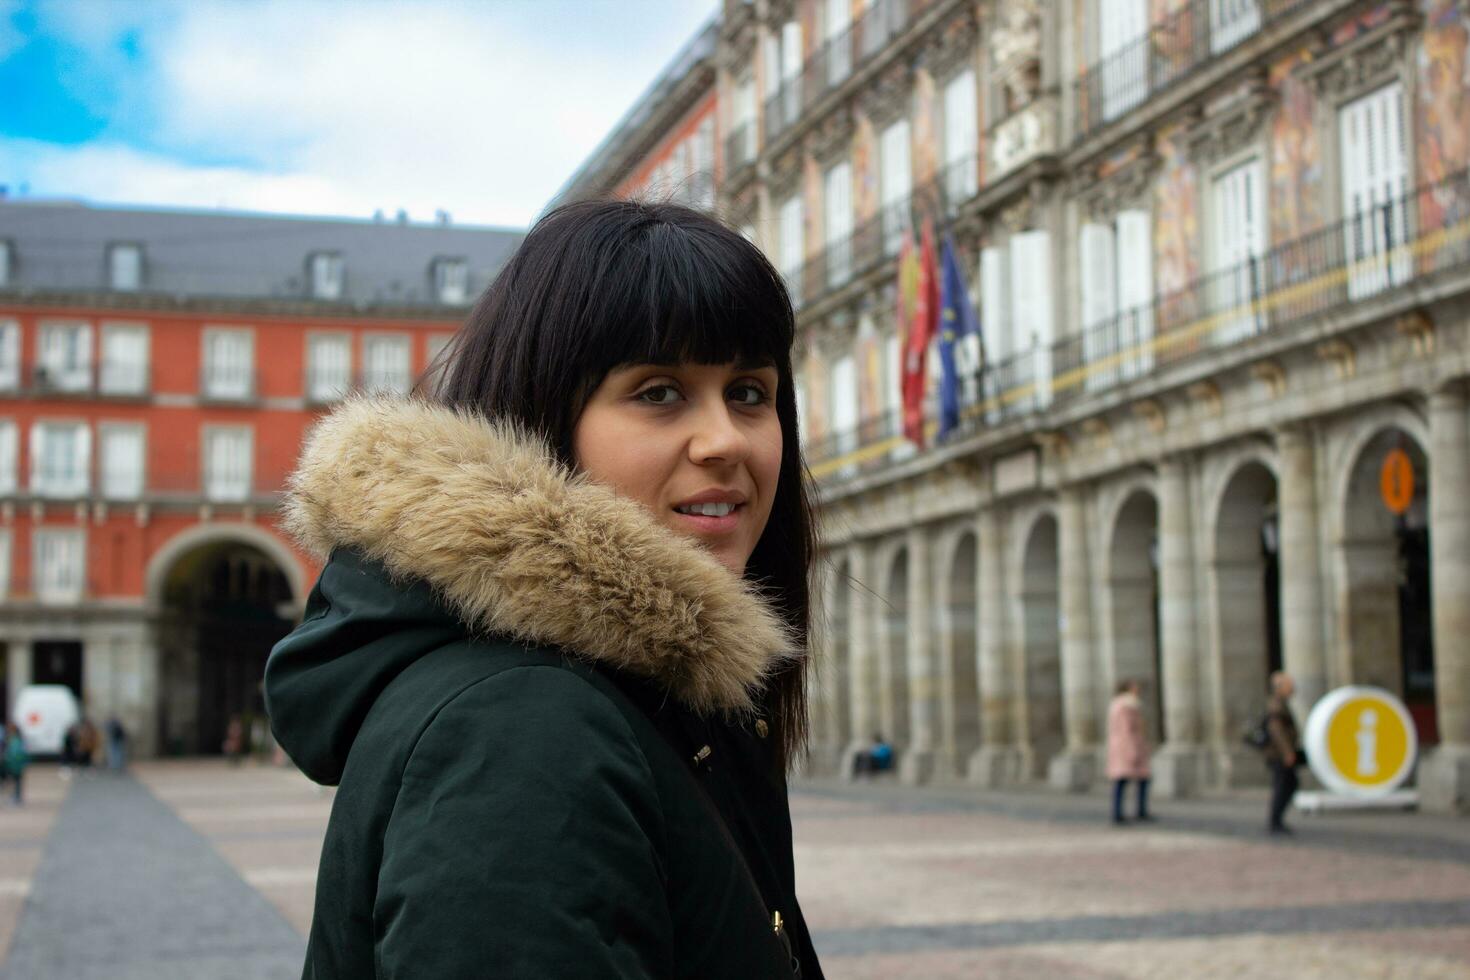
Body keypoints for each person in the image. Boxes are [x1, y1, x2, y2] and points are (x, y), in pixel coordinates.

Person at [266, 200, 823, 979]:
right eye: (659, 391)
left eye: (750, 393)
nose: (726, 439)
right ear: (544, 418)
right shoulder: (521, 729)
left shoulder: (636, 692)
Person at [1106, 679, 1153, 825]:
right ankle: (1135, 811)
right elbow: (1127, 730)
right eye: (1134, 686)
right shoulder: (1128, 706)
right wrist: (1133, 750)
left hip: (1119, 746)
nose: (1137, 689)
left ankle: (1120, 812)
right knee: (1133, 780)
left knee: (1123, 781)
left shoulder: (1115, 705)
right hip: (1128, 745)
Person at [1265, 671, 1302, 835]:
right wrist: (1287, 752)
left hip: (1279, 753)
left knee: (1287, 784)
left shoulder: (1280, 702)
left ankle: (1276, 820)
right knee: (1284, 785)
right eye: (1290, 685)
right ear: (1280, 687)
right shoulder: (1277, 704)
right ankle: (1275, 821)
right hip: (1279, 754)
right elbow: (1276, 730)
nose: (1293, 688)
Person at [4, 724, 28, 805]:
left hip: (15, 766)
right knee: (17, 782)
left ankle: (17, 798)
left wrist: (8, 760)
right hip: (18, 766)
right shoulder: (19, 740)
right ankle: (17, 797)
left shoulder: (15, 741)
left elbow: (15, 754)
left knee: (16, 782)